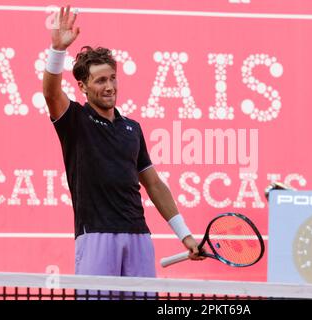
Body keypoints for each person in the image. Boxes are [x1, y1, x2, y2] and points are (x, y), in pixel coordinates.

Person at [43, 5, 203, 278]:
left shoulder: (132, 128)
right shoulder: (75, 120)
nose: (109, 86)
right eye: (100, 80)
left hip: (138, 237)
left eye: (113, 78)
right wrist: (58, 50)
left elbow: (153, 184)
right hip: (95, 236)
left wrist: (185, 234)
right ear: (82, 86)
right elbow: (50, 92)